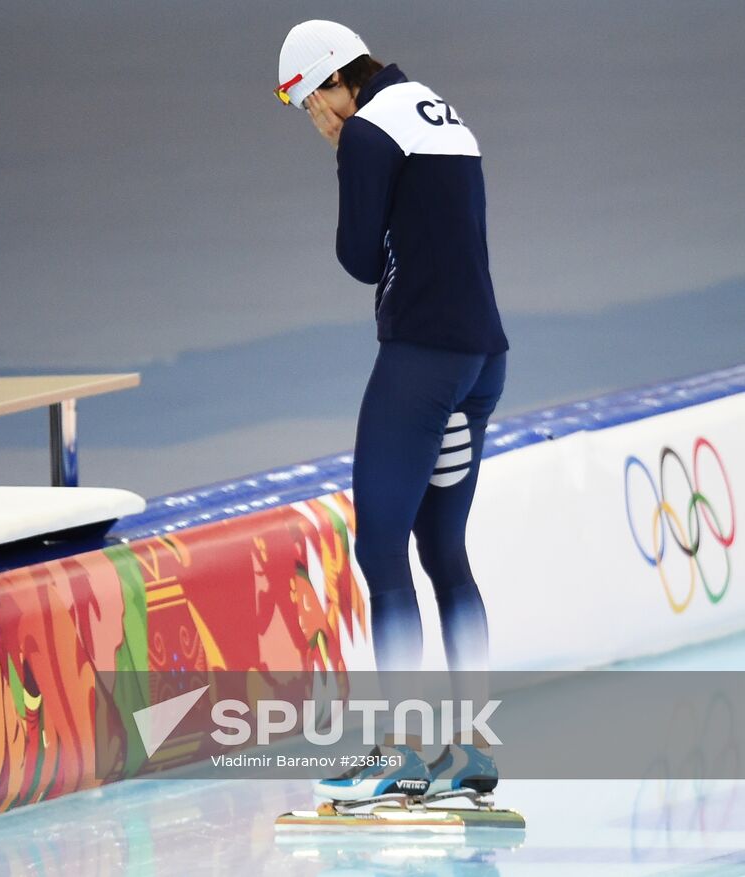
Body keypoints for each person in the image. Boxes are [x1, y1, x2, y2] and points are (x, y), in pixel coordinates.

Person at [275, 21, 508, 801]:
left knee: (380, 552)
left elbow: (355, 256)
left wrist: (355, 173)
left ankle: (401, 750)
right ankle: (472, 744)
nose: (317, 122)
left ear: (336, 80)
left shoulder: (368, 131)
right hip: (483, 356)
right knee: (443, 549)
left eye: (312, 105)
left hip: (422, 360)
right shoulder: (440, 110)